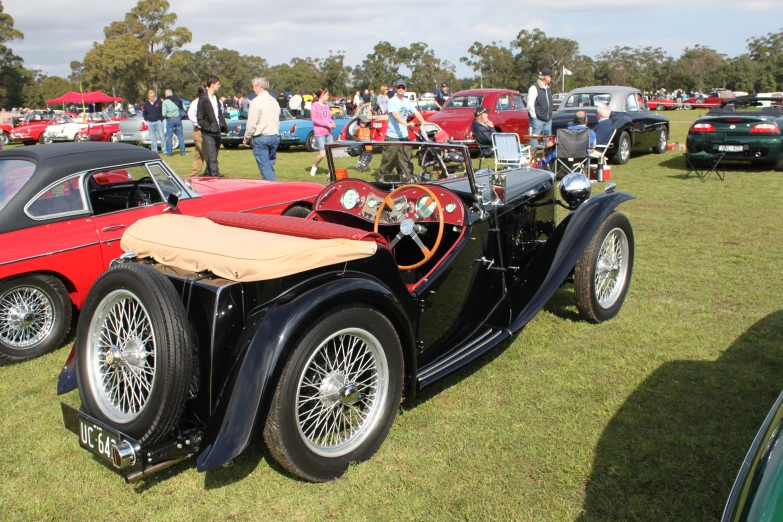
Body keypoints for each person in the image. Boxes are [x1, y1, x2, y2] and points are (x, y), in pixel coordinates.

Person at [378, 79, 426, 181]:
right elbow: (395, 115)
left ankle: (409, 178)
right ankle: (382, 177)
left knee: (406, 159)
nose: (401, 89)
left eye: (402, 87)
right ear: (396, 88)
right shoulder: (392, 101)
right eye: (399, 87)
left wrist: (425, 123)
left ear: (405, 89)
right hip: (392, 137)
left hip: (404, 136)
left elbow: (416, 112)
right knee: (388, 159)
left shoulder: (408, 102)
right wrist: (406, 124)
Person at [244, 77, 281, 181]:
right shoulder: (274, 101)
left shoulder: (256, 102)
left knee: (266, 170)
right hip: (274, 136)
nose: (253, 89)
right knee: (269, 166)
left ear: (259, 87)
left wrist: (246, 138)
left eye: (254, 87)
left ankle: (273, 192)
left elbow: (251, 124)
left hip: (261, 138)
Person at [196, 75, 227, 177]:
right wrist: (209, 128)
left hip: (217, 131)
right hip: (208, 133)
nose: (219, 86)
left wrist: (222, 125)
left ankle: (207, 175)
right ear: (212, 84)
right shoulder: (203, 99)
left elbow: (219, 115)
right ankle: (215, 176)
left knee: (213, 156)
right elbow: (200, 119)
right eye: (218, 84)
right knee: (212, 157)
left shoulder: (216, 98)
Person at [309, 87, 336, 176]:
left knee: (331, 153)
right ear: (322, 95)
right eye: (327, 95)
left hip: (328, 132)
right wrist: (326, 124)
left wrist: (332, 123)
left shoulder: (327, 106)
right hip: (319, 132)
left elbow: (329, 117)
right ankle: (314, 166)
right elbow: (315, 120)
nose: (328, 96)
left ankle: (330, 172)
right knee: (322, 154)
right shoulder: (314, 106)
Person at [527, 67, 554, 151]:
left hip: (548, 119)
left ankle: (545, 157)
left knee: (547, 139)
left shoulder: (548, 88)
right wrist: (534, 116)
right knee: (535, 138)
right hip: (538, 119)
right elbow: (530, 104)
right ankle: (533, 158)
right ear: (545, 77)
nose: (551, 78)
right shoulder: (534, 88)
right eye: (550, 76)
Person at [187, 86, 207, 176]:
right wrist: (199, 124)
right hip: (199, 131)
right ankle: (212, 174)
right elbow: (190, 114)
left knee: (198, 155)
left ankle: (193, 175)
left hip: (205, 131)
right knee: (207, 154)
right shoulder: (196, 102)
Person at [162, 89, 186, 156]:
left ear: (166, 95)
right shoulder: (178, 100)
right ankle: (183, 152)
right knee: (180, 136)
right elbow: (185, 108)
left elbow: (163, 114)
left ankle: (169, 153)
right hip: (178, 118)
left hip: (170, 119)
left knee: (169, 136)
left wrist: (167, 117)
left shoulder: (165, 102)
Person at [142, 89, 164, 154]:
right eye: (150, 97)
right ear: (148, 96)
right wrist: (146, 119)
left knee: (162, 136)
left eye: (153, 96)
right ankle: (154, 150)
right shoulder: (146, 104)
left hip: (158, 121)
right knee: (153, 137)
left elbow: (162, 111)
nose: (152, 98)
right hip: (150, 122)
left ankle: (164, 150)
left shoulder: (159, 102)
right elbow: (144, 113)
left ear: (155, 96)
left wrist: (161, 119)